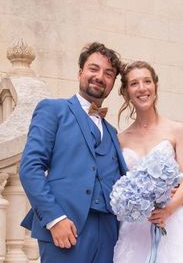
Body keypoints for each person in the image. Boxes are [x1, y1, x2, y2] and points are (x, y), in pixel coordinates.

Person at [19, 42, 128, 263]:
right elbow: (30, 168)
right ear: (80, 73)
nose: (100, 76)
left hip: (108, 232)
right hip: (66, 228)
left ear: (112, 83)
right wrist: (54, 219)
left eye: (108, 73)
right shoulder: (53, 109)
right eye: (93, 68)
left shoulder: (112, 131)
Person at [113, 60, 183, 262]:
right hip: (135, 227)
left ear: (155, 86)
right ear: (126, 92)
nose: (142, 88)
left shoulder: (177, 130)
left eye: (147, 81)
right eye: (134, 83)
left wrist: (167, 210)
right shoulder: (120, 139)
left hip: (172, 219)